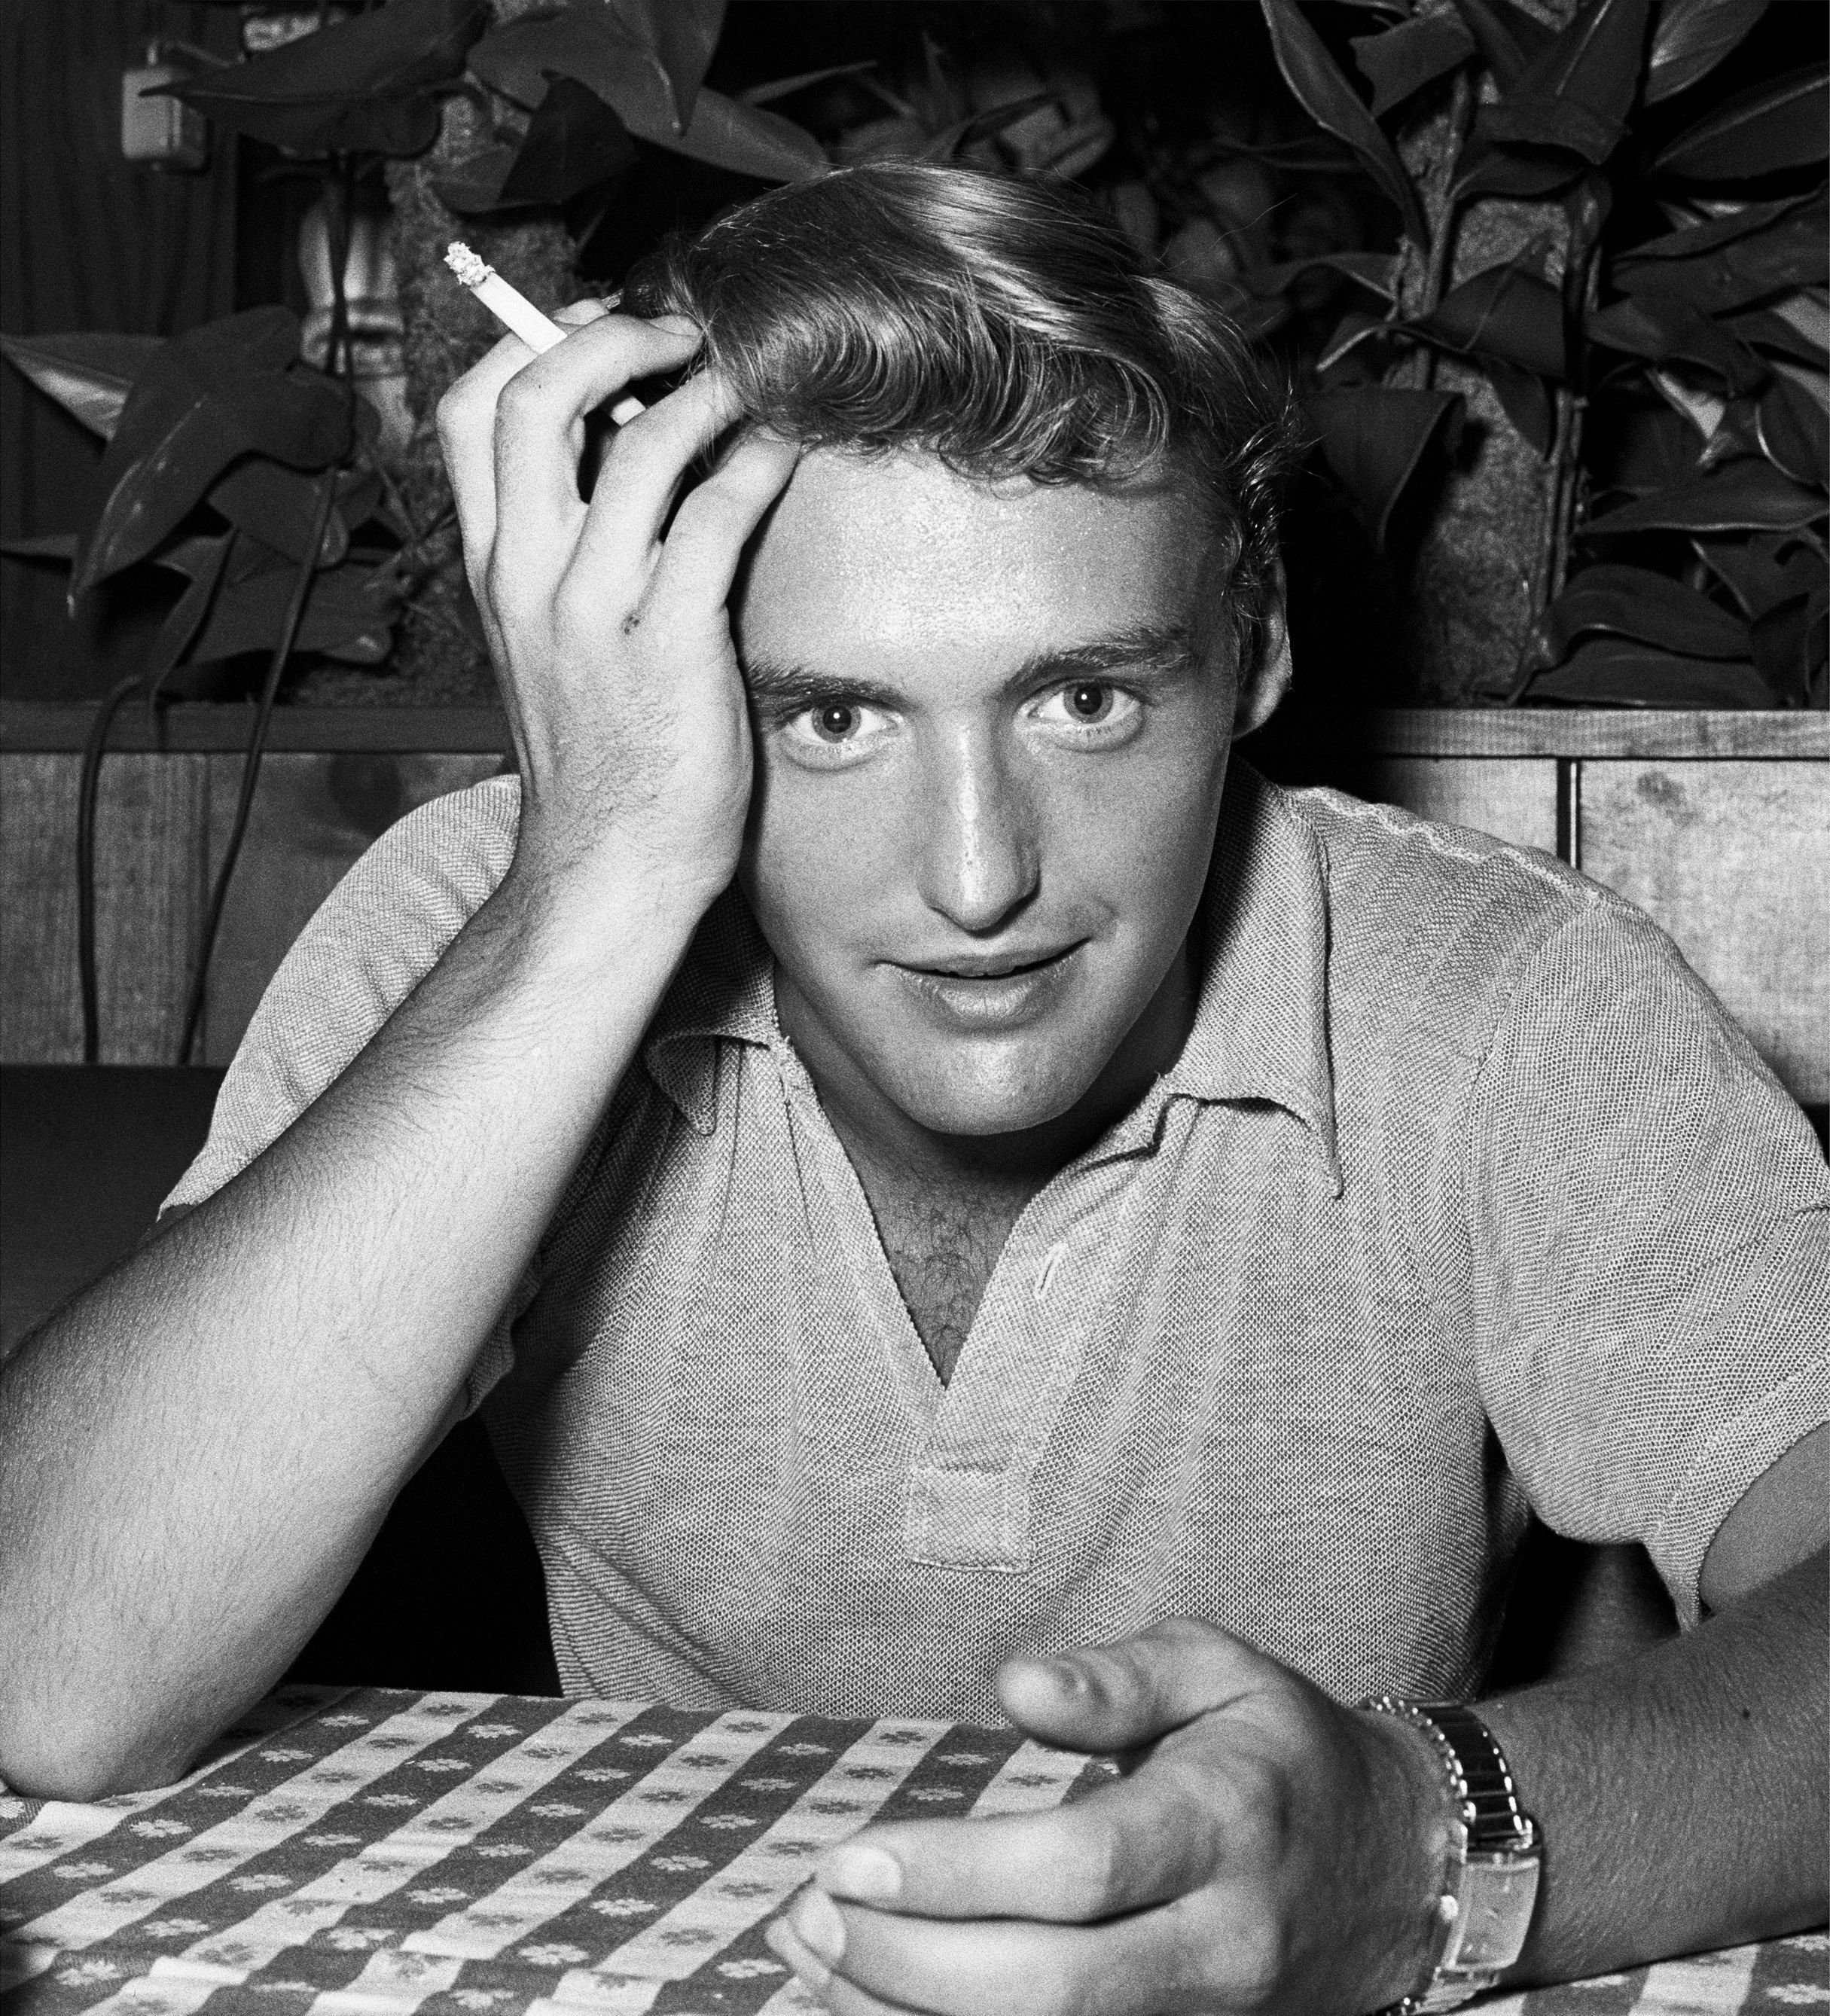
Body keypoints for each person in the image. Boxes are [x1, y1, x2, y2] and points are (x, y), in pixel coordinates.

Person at [0, 163, 1824, 2016]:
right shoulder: (495, 924)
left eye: (1084, 700)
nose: (977, 880)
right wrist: (598, 886)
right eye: (831, 716)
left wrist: (1426, 1846)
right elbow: (52, 1665)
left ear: (1253, 651)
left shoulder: (1507, 993)